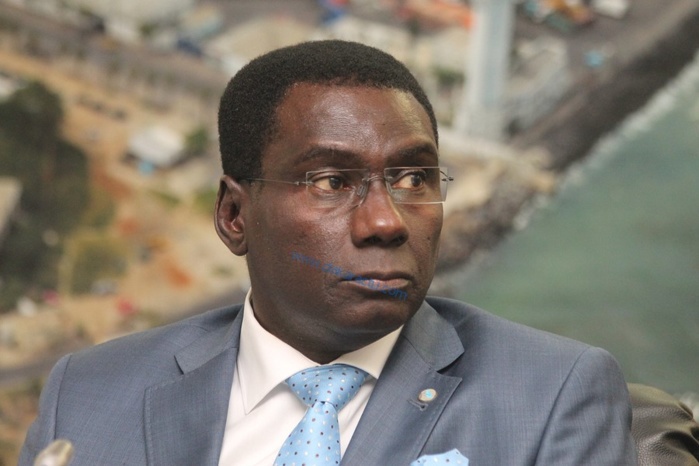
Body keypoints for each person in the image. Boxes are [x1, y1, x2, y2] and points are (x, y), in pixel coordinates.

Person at [19, 40, 637, 465]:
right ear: (234, 216)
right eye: (331, 182)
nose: (385, 221)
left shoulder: (553, 396)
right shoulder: (88, 393)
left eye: (413, 178)